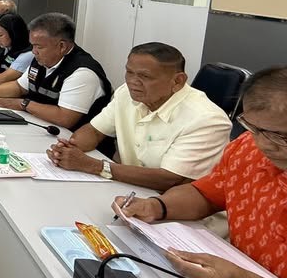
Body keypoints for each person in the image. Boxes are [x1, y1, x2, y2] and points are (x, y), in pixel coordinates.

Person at [113, 67, 287, 278]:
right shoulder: (247, 148)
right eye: (254, 128)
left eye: (281, 137)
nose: (264, 144)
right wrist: (156, 206)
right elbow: (206, 194)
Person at [48, 43, 231, 190]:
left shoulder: (207, 119)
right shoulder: (126, 93)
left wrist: (93, 165)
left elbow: (169, 179)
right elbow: (94, 131)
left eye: (145, 76)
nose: (132, 82)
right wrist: (69, 149)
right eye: (129, 72)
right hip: (128, 188)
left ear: (177, 81)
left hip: (176, 211)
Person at [0, 12, 111, 131]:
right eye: (33, 45)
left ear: (62, 46)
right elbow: (19, 87)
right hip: (41, 126)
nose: (34, 51)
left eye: (39, 47)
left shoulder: (82, 72)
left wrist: (24, 104)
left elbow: (65, 118)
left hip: (75, 143)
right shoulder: (42, 59)